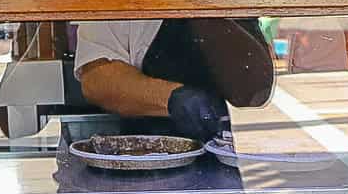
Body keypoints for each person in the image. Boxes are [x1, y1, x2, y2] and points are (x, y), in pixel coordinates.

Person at [73, 18, 275, 145]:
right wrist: (172, 98)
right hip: (139, 160)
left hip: (220, 160)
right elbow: (96, 79)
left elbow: (255, 91)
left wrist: (202, 9)